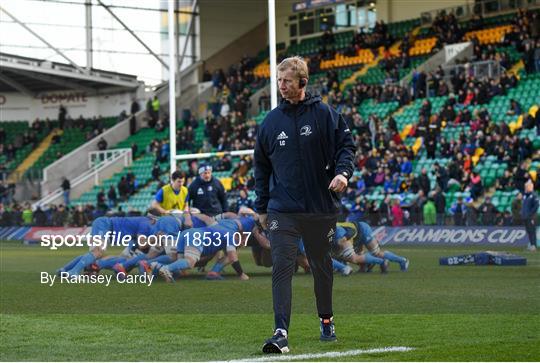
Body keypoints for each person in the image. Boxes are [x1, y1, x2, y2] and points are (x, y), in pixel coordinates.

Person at [254, 56, 355, 353]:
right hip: (282, 209)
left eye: (287, 81)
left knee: (321, 266)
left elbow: (346, 147)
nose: (281, 86)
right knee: (281, 266)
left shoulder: (325, 114)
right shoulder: (271, 122)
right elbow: (261, 167)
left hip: (320, 208)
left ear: (302, 82)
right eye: (279, 80)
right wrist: (261, 206)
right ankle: (280, 332)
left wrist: (342, 173)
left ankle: (326, 318)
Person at [521, 180, 538, 251]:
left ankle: (533, 245)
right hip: (525, 216)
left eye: (527, 186)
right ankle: (531, 244)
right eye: (525, 186)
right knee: (528, 231)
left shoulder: (534, 195)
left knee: (532, 231)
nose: (525, 188)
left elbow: (536, 206)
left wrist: (531, 214)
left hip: (531, 216)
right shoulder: (525, 195)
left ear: (531, 187)